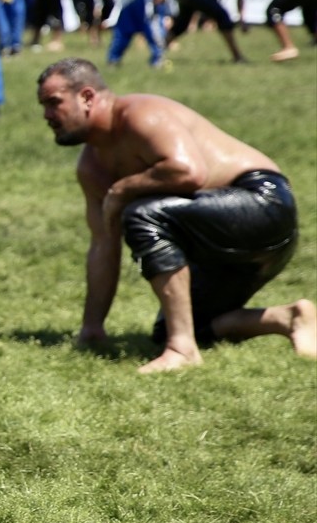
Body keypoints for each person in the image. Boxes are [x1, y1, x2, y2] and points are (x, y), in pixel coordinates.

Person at [36, 58, 315, 374]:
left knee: (142, 214)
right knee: (173, 327)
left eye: (54, 103)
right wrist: (92, 326)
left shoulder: (140, 114)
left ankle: (182, 349)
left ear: (87, 97)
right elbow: (103, 245)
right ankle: (289, 318)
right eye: (43, 106)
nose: (47, 115)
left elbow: (188, 171)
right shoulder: (92, 167)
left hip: (264, 205)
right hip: (222, 245)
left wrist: (122, 189)